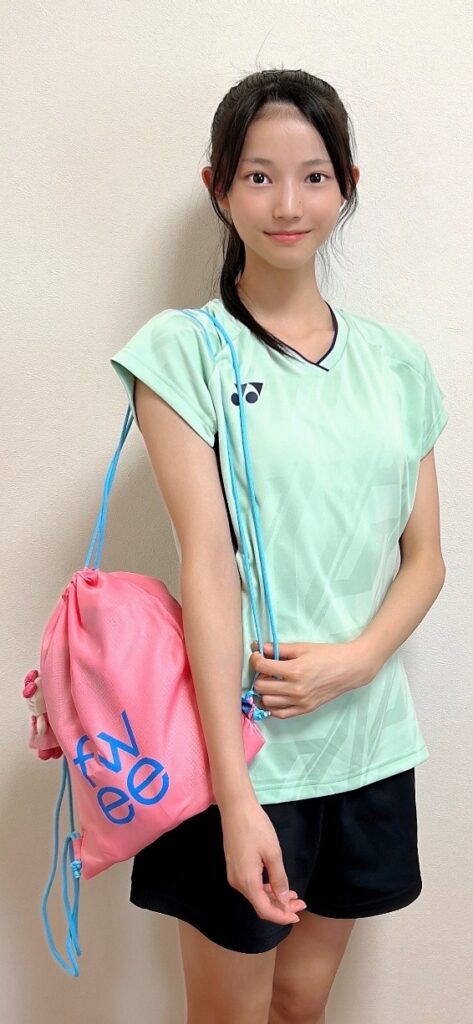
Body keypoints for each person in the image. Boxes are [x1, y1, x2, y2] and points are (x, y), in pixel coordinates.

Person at [110, 68, 448, 1024]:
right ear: (218, 187)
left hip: (368, 744)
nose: (287, 204)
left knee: (301, 1002)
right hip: (245, 754)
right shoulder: (184, 352)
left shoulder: (396, 363)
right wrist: (233, 797)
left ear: (346, 186)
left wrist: (357, 660)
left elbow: (424, 556)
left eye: (313, 176)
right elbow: (207, 567)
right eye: (258, 177)